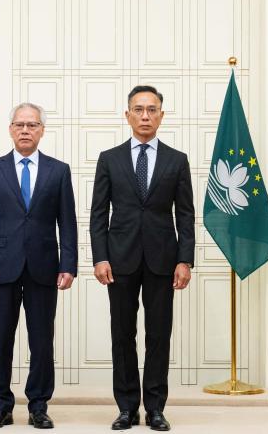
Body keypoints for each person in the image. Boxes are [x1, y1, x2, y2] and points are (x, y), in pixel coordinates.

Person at [89, 86, 194, 433]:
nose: (145, 116)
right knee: (122, 334)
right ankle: (126, 407)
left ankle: (156, 408)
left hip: (163, 260)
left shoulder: (177, 160)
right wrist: (100, 257)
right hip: (119, 260)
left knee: (159, 335)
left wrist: (185, 260)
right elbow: (98, 214)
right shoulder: (110, 158)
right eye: (139, 109)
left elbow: (186, 215)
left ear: (161, 115)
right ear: (128, 115)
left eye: (152, 109)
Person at [0, 103, 77, 430]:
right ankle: (0, 406)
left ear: (42, 130)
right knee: (0, 339)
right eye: (20, 125)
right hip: (1, 267)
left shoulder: (59, 171)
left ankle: (39, 406)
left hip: (44, 267)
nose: (26, 130)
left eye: (32, 125)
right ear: (11, 129)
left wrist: (68, 264)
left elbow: (67, 222)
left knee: (42, 340)